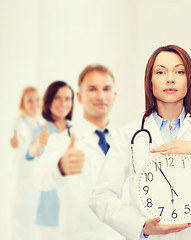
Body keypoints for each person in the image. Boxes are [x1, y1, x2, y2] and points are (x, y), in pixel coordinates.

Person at [89, 45, 191, 240]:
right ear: (150, 82)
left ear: (189, 80)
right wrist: (141, 226)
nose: (170, 78)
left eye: (179, 71)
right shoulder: (129, 135)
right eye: (161, 71)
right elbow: (101, 197)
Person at [33, 64, 123, 240]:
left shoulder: (124, 141)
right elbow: (39, 176)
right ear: (80, 97)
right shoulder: (63, 139)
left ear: (114, 95)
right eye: (92, 89)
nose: (100, 95)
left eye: (106, 88)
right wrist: (60, 166)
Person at [26, 81, 74, 240]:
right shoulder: (41, 131)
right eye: (57, 98)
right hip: (49, 214)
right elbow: (31, 152)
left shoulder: (76, 130)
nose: (63, 103)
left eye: (68, 98)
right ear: (49, 101)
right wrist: (38, 145)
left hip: (73, 211)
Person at [9, 86, 42, 240]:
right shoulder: (21, 122)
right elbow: (20, 139)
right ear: (23, 104)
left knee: (33, 225)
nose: (34, 104)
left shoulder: (41, 123)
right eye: (29, 100)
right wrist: (17, 142)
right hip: (24, 182)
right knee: (22, 224)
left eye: (37, 99)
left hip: (36, 181)